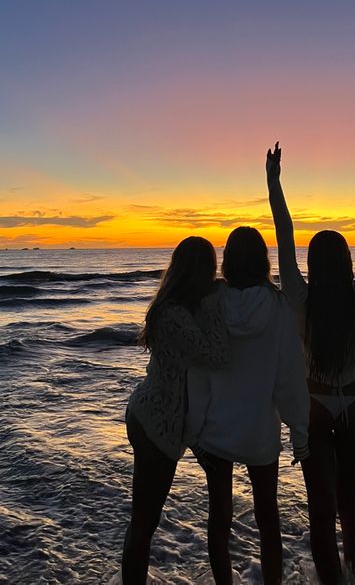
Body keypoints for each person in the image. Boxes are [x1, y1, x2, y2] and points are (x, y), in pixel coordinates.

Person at [266, 143, 355, 585]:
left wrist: (273, 181)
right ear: (346, 262)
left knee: (321, 512)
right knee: (352, 504)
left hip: (315, 407)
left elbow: (284, 234)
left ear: (312, 264)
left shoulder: (300, 298)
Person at [184, 226, 310, 585]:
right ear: (262, 261)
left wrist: (192, 428)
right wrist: (299, 432)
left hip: (215, 430)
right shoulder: (279, 306)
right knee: (268, 519)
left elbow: (200, 372)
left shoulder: (212, 304)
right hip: (259, 433)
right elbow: (289, 377)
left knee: (219, 517)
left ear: (227, 263)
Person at [121, 236, 230, 585]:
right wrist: (216, 302)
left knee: (144, 520)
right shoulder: (173, 315)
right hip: (156, 421)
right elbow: (217, 355)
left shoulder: (176, 308)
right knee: (144, 522)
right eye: (210, 269)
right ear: (198, 271)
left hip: (154, 415)